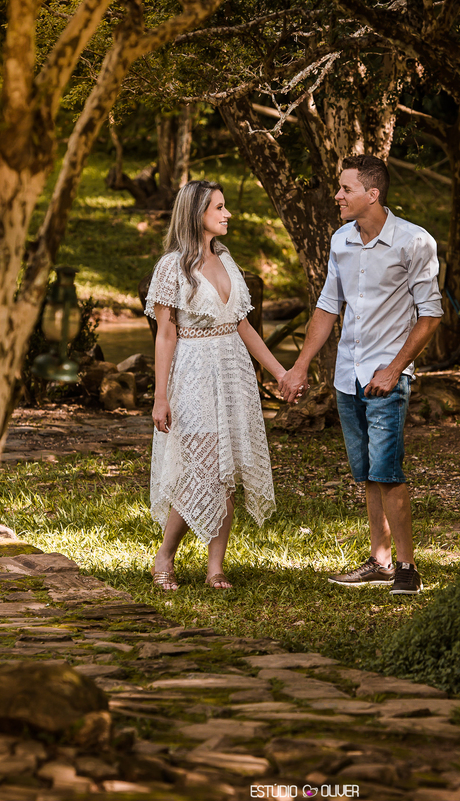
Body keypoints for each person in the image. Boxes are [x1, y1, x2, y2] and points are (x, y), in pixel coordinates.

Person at [279, 155, 442, 595]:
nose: (337, 196)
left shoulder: (414, 242)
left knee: (387, 470)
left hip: (387, 377)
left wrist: (394, 369)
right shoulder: (340, 241)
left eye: (346, 189)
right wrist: (299, 367)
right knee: (368, 473)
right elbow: (328, 307)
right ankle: (380, 560)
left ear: (372, 194)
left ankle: (407, 568)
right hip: (347, 376)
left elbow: (429, 316)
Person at [146, 179, 286, 590]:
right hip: (193, 372)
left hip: (233, 373)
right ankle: (165, 557)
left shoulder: (227, 261)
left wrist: (279, 373)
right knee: (199, 469)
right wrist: (160, 397)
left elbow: (243, 326)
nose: (227, 214)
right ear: (196, 214)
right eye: (219, 208)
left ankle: (215, 568)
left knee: (228, 471)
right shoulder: (172, 267)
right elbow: (165, 335)